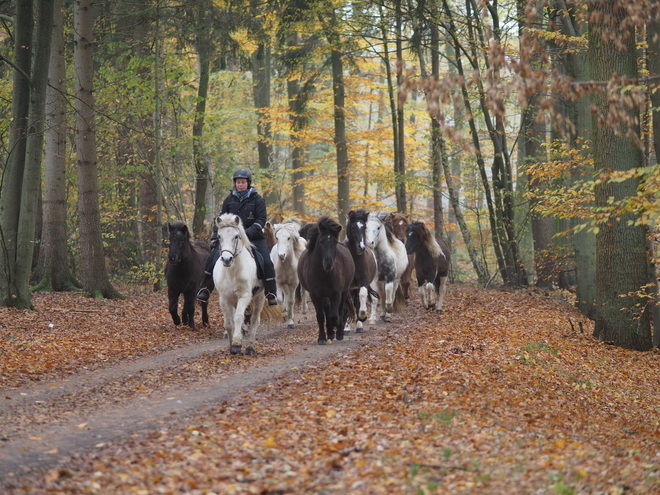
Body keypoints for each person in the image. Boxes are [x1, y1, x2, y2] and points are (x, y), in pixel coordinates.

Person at [196, 169, 277, 306]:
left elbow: (260, 220)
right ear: (235, 183)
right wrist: (215, 238)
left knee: (266, 261)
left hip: (254, 237)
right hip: (230, 239)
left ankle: (271, 292)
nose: (240, 184)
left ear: (248, 183)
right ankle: (205, 288)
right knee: (212, 258)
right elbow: (221, 221)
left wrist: (244, 234)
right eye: (238, 182)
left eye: (243, 182)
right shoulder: (229, 200)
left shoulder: (258, 200)